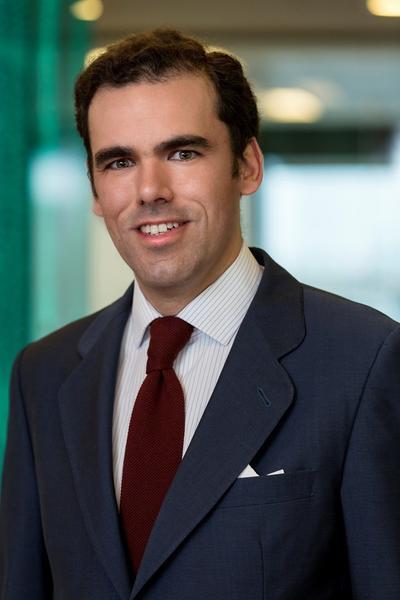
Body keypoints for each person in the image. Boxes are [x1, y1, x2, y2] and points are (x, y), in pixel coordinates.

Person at [1, 28, 399, 600]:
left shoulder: (364, 362)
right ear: (94, 190)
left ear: (247, 166)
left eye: (182, 153)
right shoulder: (44, 374)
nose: (150, 190)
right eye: (119, 162)